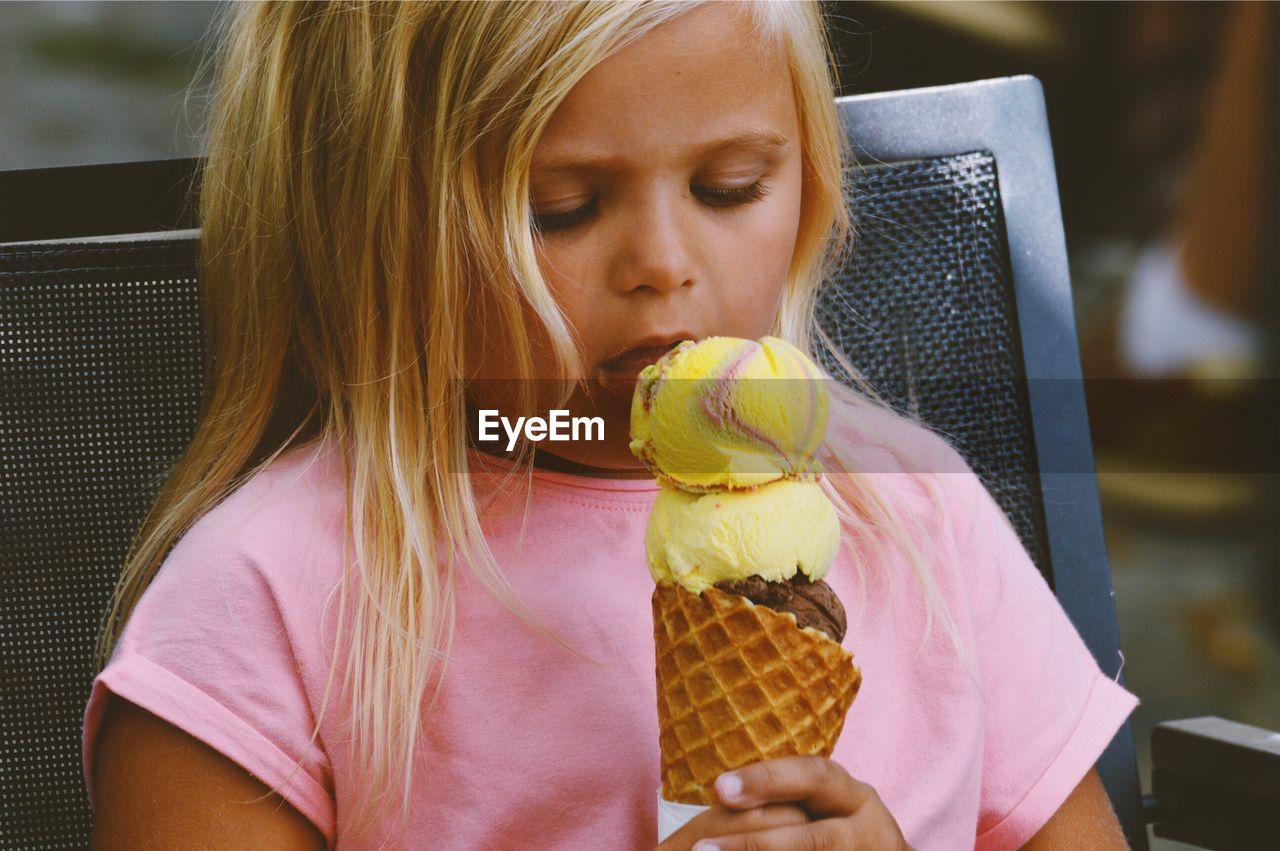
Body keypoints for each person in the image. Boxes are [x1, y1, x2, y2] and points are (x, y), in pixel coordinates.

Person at [81, 2, 1137, 849]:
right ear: (370, 226)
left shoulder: (908, 506)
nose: (663, 262)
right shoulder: (269, 598)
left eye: (729, 187)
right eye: (562, 208)